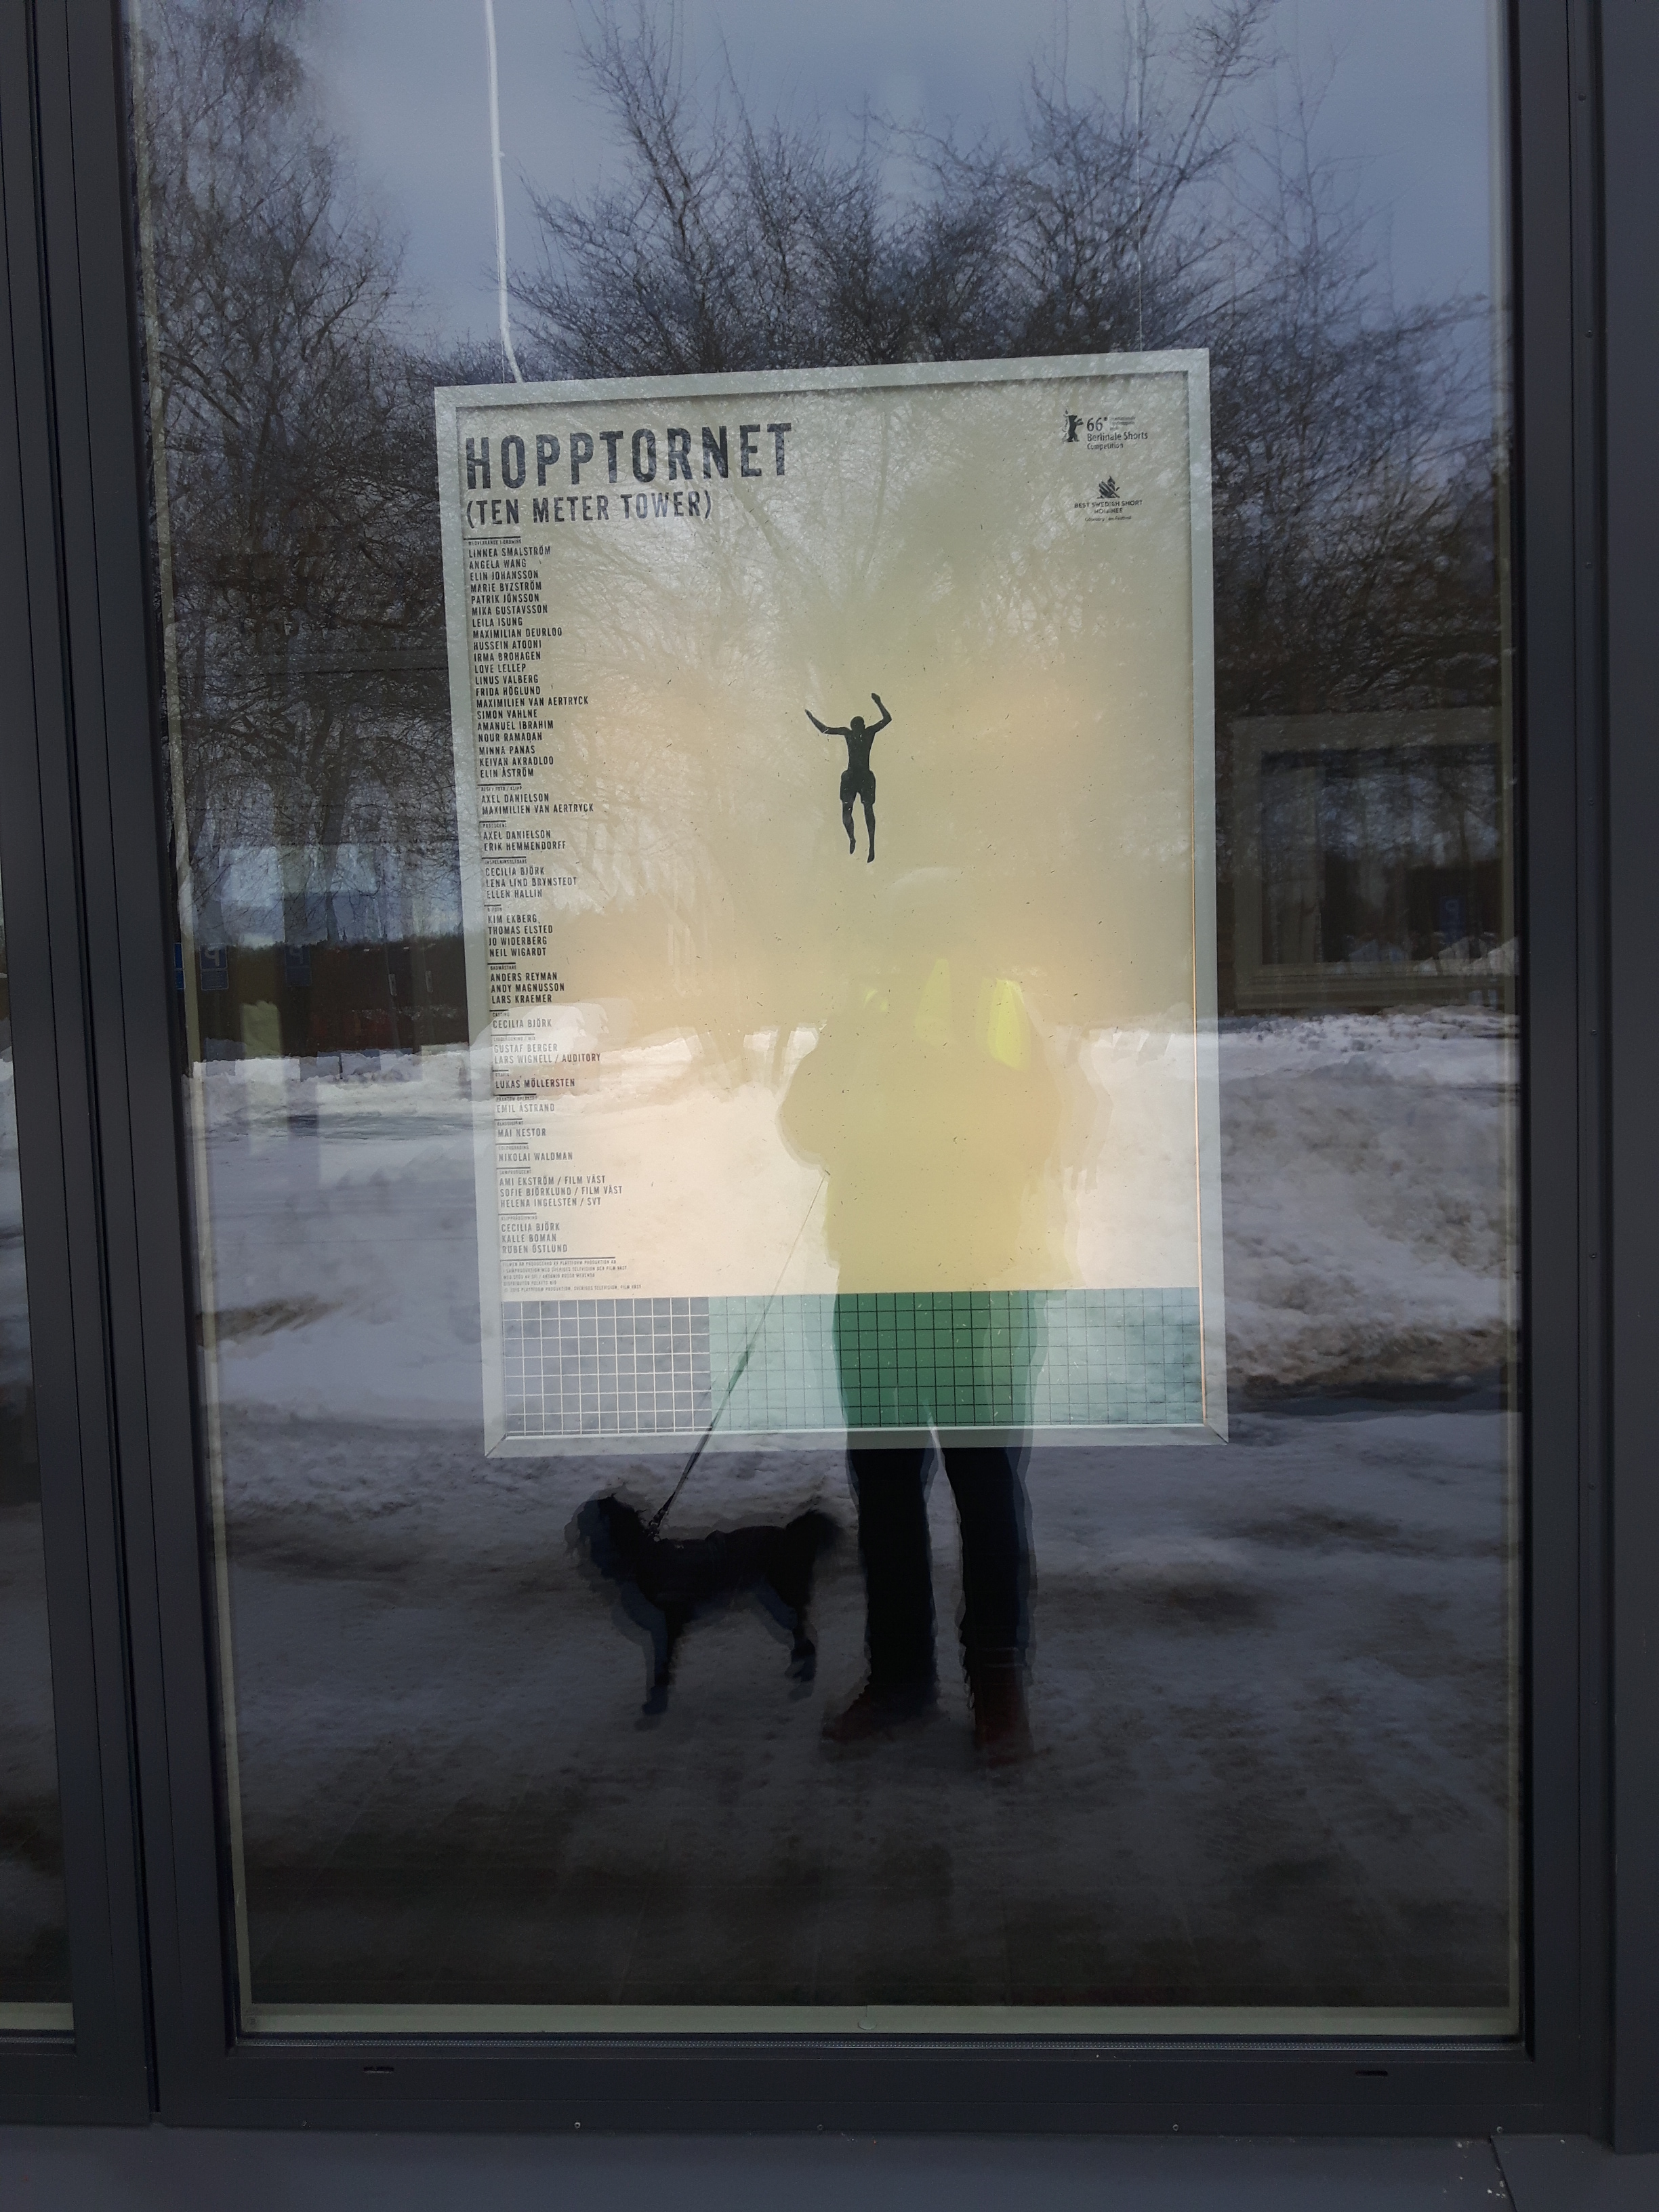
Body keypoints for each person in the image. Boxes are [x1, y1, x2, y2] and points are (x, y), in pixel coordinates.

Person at [804, 692, 890, 862]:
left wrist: (879, 703)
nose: (857, 730)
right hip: (851, 777)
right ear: (853, 727)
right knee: (847, 812)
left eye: (859, 726)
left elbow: (887, 719)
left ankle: (871, 846)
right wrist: (812, 717)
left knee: (867, 810)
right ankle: (852, 838)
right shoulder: (850, 733)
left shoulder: (867, 733)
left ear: (862, 726)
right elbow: (825, 729)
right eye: (855, 727)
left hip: (863, 776)